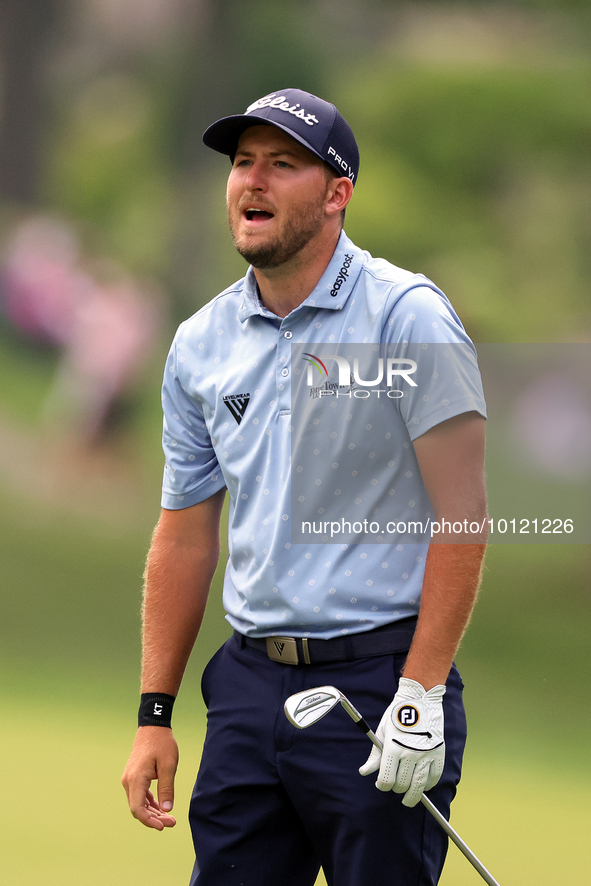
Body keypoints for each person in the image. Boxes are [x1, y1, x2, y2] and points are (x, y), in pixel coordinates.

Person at [122, 88, 488, 886]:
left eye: (282, 165)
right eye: (242, 163)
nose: (252, 182)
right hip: (249, 691)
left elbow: (462, 518)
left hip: (377, 685)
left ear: (336, 194)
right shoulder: (200, 344)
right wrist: (155, 713)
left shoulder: (406, 317)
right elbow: (183, 535)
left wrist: (419, 692)